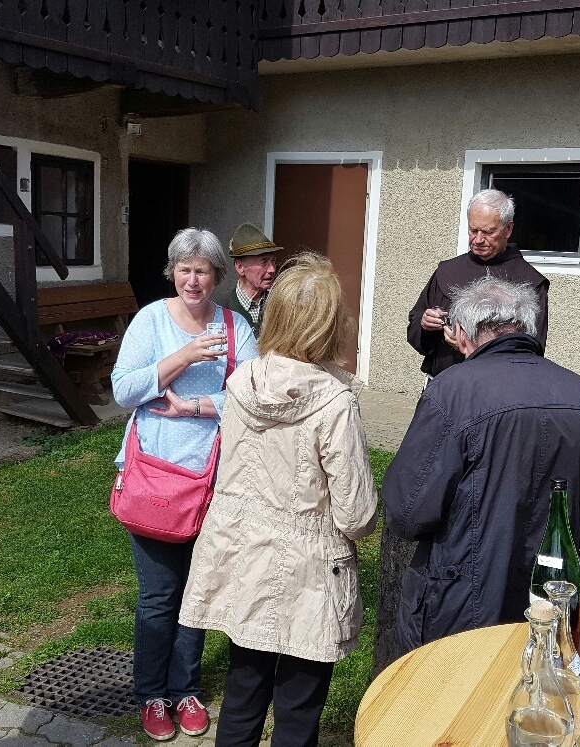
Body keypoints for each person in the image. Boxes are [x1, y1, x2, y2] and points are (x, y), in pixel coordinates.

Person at [180, 254, 378, 747]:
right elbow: (356, 514)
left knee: (243, 690)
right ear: (329, 324)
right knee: (298, 708)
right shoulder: (335, 401)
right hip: (310, 571)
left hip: (245, 554)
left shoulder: (241, 382)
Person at [383, 277, 580, 659]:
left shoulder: (452, 391)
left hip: (460, 609)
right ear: (526, 328)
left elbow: (406, 512)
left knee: (450, 695)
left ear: (461, 334)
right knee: (538, 691)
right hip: (551, 603)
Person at [111, 227, 259, 741]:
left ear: (217, 276)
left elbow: (252, 396)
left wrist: (196, 406)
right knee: (159, 594)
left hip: (215, 480)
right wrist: (184, 357)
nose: (192, 280)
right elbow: (123, 389)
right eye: (184, 269)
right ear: (173, 272)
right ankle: (152, 695)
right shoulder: (151, 320)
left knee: (197, 592)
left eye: (202, 271)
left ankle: (185, 689)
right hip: (155, 477)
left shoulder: (235, 327)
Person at [407, 189, 550, 378]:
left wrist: (470, 347)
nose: (479, 240)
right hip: (442, 382)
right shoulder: (447, 271)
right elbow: (415, 324)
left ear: (508, 229)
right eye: (473, 230)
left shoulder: (530, 282)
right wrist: (425, 325)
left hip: (496, 385)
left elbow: (530, 350)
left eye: (489, 232)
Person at [212, 222, 280, 336]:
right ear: (240, 267)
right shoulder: (218, 308)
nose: (272, 269)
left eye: (273, 261)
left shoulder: (280, 304)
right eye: (264, 262)